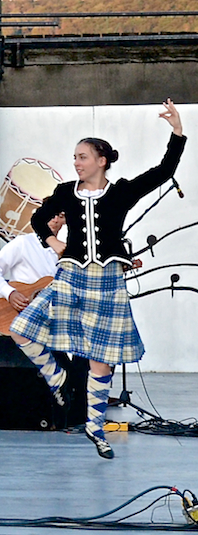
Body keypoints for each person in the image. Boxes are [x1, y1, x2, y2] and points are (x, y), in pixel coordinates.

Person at [10, 98, 185, 459]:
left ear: (101, 160)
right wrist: (52, 240)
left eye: (83, 157)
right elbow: (39, 218)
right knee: (21, 329)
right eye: (75, 157)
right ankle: (57, 378)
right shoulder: (65, 193)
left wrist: (177, 132)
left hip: (107, 280)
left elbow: (163, 171)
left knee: (100, 359)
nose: (76, 162)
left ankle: (95, 426)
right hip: (71, 276)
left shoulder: (120, 192)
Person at [0, 213, 66, 313]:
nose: (55, 220)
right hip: (20, 313)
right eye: (51, 214)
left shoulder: (67, 252)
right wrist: (9, 293)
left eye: (60, 217)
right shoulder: (23, 243)